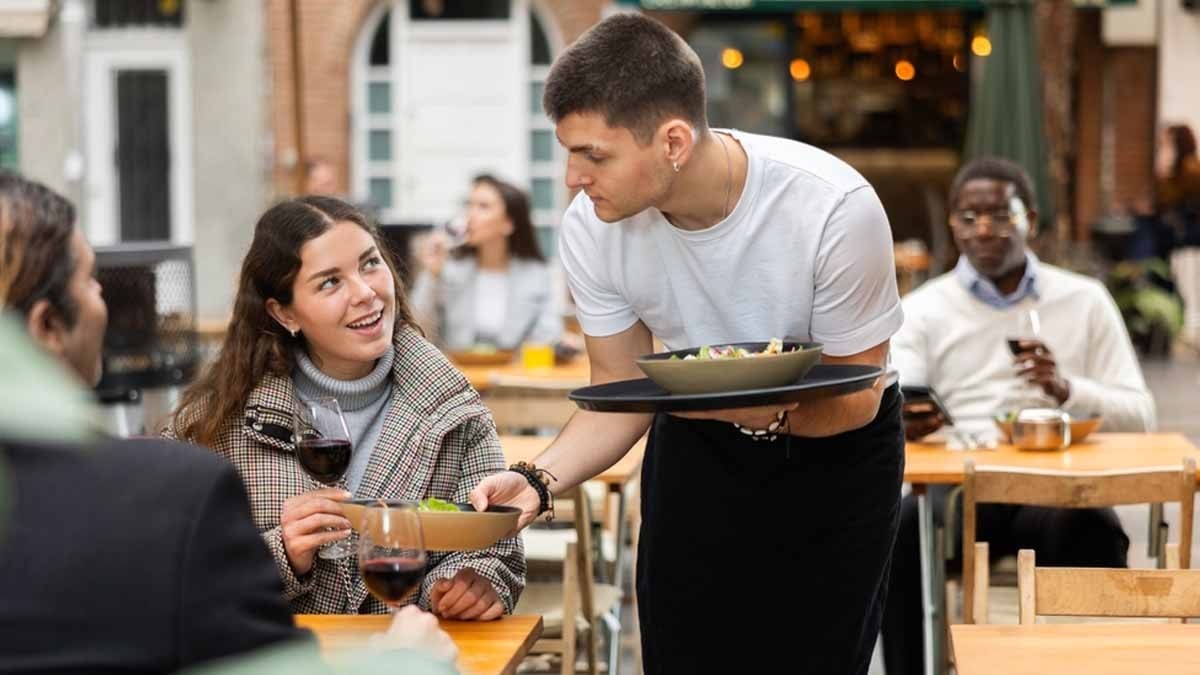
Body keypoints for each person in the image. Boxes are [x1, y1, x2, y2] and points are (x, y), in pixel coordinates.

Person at [469, 14, 905, 674]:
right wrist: (536, 478)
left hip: (838, 455)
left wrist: (758, 410)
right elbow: (618, 391)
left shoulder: (833, 206)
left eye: (594, 155)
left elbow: (857, 396)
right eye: (568, 152)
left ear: (673, 140)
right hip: (696, 445)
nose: (572, 179)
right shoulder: (592, 227)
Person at [0, 171, 457, 673]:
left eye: (370, 266)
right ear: (46, 326)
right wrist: (404, 663)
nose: (106, 299)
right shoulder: (172, 484)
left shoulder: (448, 404)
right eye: (91, 280)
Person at [165, 195, 525, 618]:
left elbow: (499, 552)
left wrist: (472, 585)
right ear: (284, 313)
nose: (366, 293)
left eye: (370, 264)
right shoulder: (213, 426)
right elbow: (173, 571)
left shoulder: (455, 412)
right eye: (330, 282)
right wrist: (282, 554)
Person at [881, 157, 1156, 675]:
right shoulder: (922, 309)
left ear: (1030, 217)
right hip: (961, 492)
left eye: (1001, 214)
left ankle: (1091, 666)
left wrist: (1066, 388)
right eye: (969, 216)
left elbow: (1141, 416)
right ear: (953, 225)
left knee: (1093, 527)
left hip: (1058, 488)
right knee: (899, 533)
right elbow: (900, 394)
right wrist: (905, 417)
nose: (984, 228)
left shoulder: (1084, 300)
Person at [411, 174, 563, 351]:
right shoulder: (450, 269)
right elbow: (418, 330)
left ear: (509, 223)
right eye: (469, 205)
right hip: (459, 371)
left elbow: (549, 332)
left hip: (513, 372)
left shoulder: (536, 274)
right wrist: (431, 275)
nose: (470, 215)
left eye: (483, 207)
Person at [1156, 124, 1200, 349]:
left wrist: (1164, 174)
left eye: (1167, 143)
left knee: (1190, 284)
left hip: (1190, 241)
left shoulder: (1191, 170)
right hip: (1183, 241)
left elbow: (1170, 200)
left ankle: (1191, 328)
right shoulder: (1181, 170)